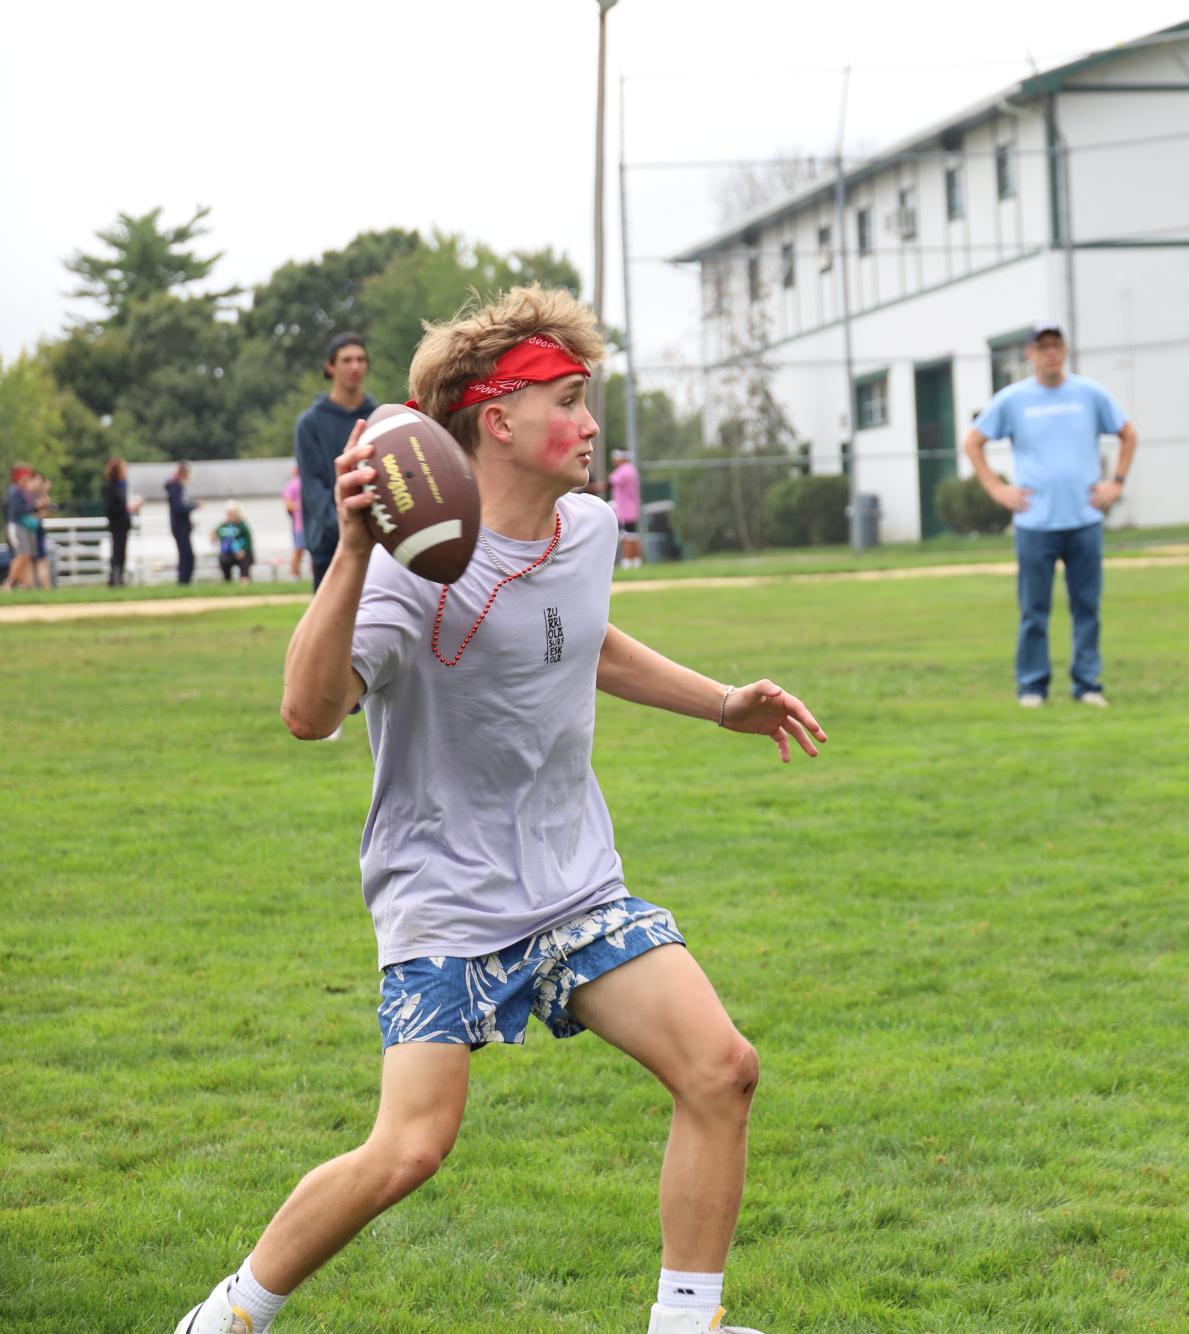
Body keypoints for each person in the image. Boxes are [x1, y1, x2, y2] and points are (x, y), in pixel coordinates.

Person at [177, 287, 825, 1334]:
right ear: (497, 420)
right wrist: (349, 551)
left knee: (721, 1066)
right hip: (444, 896)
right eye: (567, 399)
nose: (588, 421)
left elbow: (584, 636)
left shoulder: (585, 528)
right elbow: (307, 713)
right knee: (409, 1148)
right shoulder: (401, 575)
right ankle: (230, 1313)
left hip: (574, 882)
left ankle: (686, 1321)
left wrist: (720, 702)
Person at [962, 321, 1139, 708]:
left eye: (1056, 345)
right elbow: (974, 442)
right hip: (1035, 524)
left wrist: (1117, 482)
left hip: (1084, 520)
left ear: (1065, 350)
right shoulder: (1013, 399)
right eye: (1042, 347)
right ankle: (1032, 687)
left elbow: (1127, 433)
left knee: (1087, 607)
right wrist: (997, 488)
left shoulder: (1089, 394)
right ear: (1030, 354)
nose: (1050, 353)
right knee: (1034, 611)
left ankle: (1088, 685)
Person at [295, 331, 378, 589]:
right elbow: (314, 489)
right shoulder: (310, 423)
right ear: (330, 366)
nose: (355, 366)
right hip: (328, 546)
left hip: (376, 545)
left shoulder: (378, 416)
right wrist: (345, 529)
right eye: (346, 360)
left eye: (360, 359)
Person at [102, 457, 141, 586]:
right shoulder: (111, 487)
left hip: (123, 523)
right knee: (117, 552)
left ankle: (119, 578)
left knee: (122, 552)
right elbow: (112, 508)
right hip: (117, 523)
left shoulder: (123, 485)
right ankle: (115, 579)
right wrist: (128, 508)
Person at [165, 461, 201, 585]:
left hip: (183, 526)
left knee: (187, 555)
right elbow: (179, 508)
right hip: (180, 526)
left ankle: (185, 581)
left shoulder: (178, 487)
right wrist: (194, 505)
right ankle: (183, 581)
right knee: (186, 556)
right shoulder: (176, 487)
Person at [610, 447, 643, 569]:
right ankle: (636, 562)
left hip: (624, 510)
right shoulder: (632, 470)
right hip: (632, 508)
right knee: (634, 536)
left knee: (627, 537)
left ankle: (627, 563)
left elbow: (610, 484)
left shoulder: (623, 470)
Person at [214, 502, 255, 582]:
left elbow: (248, 540)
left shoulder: (242, 525)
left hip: (243, 552)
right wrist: (213, 536)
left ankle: (245, 580)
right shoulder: (224, 525)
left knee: (244, 561)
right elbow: (216, 533)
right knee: (224, 561)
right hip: (229, 553)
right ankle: (227, 581)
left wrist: (243, 550)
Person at [281, 464, 305, 580]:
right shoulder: (292, 485)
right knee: (298, 550)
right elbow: (287, 504)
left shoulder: (306, 482)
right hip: (299, 525)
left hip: (306, 524)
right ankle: (295, 575)